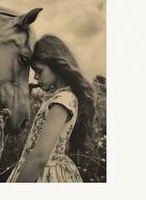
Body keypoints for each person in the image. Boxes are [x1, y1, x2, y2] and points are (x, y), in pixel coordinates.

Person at [6, 34, 97, 183]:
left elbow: (40, 157)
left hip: (44, 174)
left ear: (56, 66)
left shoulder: (62, 100)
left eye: (39, 71)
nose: (35, 77)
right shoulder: (61, 97)